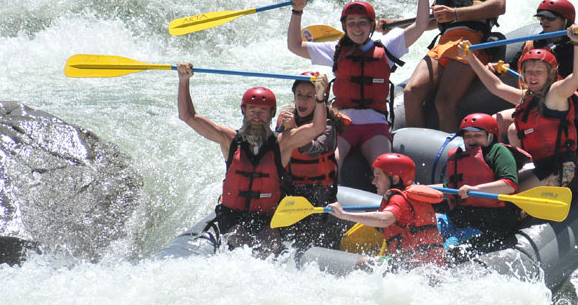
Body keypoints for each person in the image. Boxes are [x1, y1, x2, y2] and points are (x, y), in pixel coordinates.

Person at [286, 0, 430, 169]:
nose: (357, 28)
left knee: (384, 168)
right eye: (351, 23)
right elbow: (295, 45)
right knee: (332, 162)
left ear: (371, 26)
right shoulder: (336, 50)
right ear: (345, 27)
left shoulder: (388, 48)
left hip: (376, 125)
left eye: (362, 22)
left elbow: (421, 24)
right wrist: (297, 12)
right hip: (342, 124)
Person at [402, 0, 507, 132]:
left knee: (444, 101)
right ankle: (418, 149)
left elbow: (499, 4)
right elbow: (436, 20)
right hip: (444, 42)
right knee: (411, 93)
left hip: (471, 41)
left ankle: (451, 157)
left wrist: (455, 13)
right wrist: (391, 26)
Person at [460, 28, 578, 199]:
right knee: (502, 179)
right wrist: (471, 58)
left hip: (564, 172)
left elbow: (577, 78)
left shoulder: (556, 94)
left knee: (506, 194)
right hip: (543, 168)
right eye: (528, 71)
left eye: (539, 72)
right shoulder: (527, 98)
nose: (532, 76)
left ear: (550, 75)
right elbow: (496, 87)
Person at [177, 63, 288, 253]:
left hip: (267, 218)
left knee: (272, 246)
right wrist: (184, 81)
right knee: (238, 240)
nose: (256, 115)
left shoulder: (282, 144)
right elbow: (187, 116)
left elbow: (316, 129)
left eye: (262, 111)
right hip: (232, 216)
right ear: (243, 111)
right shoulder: (229, 140)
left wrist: (320, 97)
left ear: (272, 114)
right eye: (252, 109)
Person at [496, 0, 578, 145]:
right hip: (530, 101)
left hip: (556, 107)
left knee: (514, 130)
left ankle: (526, 164)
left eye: (550, 18)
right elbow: (511, 66)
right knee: (499, 120)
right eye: (541, 18)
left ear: (565, 21)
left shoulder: (572, 47)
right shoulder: (536, 42)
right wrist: (496, 66)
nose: (544, 22)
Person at [327, 153, 446, 269]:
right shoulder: (411, 197)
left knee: (363, 263)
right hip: (429, 262)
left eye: (378, 176)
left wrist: (344, 215)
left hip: (415, 264)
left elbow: (385, 219)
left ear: (395, 179)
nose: (374, 181)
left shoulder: (399, 199)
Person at [276, 72, 347, 249]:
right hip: (291, 190)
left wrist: (293, 132)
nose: (302, 101)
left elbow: (313, 150)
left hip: (320, 194)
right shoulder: (285, 119)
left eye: (309, 96)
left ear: (318, 100)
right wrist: (285, 130)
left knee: (320, 240)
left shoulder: (328, 126)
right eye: (299, 95)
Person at [439, 113, 530, 251]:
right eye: (467, 136)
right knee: (427, 233)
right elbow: (450, 188)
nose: (471, 139)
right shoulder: (463, 156)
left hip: (489, 222)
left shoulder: (499, 152)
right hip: (460, 217)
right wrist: (421, 189)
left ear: (490, 136)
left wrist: (474, 189)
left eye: (477, 135)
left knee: (448, 249)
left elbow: (509, 185)